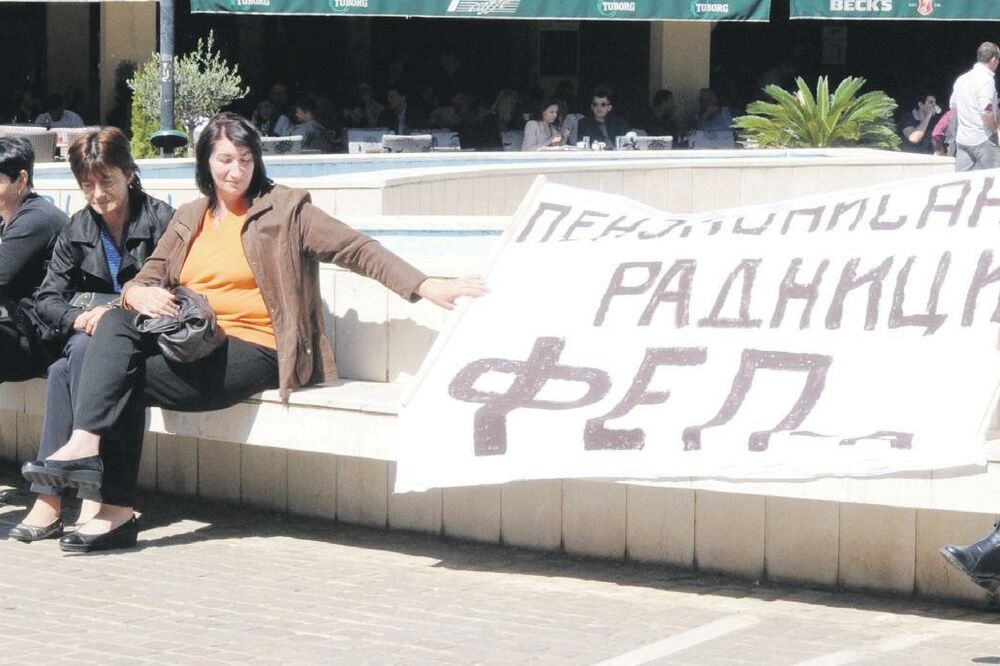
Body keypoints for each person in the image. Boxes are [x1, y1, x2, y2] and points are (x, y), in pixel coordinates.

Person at [21, 113, 487, 552]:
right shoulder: (190, 216)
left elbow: (356, 249)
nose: (236, 170)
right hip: (195, 342)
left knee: (117, 377)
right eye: (225, 159)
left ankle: (104, 485)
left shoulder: (285, 210)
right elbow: (149, 274)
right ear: (206, 162)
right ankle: (106, 486)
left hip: (256, 349)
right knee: (115, 333)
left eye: (245, 159)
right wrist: (137, 292)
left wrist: (424, 285)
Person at [9, 127, 173, 543]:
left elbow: (175, 288)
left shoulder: (162, 221)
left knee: (76, 359)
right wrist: (78, 318)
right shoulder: (77, 228)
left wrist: (116, 312)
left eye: (107, 181)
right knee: (68, 362)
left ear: (129, 174)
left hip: (146, 338)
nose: (98, 194)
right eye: (87, 185)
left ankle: (60, 499)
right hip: (87, 337)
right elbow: (48, 298)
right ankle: (75, 496)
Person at [0, 138, 67, 382]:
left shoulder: (37, 219)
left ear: (21, 179)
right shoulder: (8, 217)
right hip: (18, 326)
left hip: (42, 337)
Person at [950, 41, 1000, 172]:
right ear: (993, 59)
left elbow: (953, 107)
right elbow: (986, 112)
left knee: (962, 180)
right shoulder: (987, 80)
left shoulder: (962, 79)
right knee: (995, 177)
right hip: (983, 138)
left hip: (963, 140)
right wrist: (994, 130)